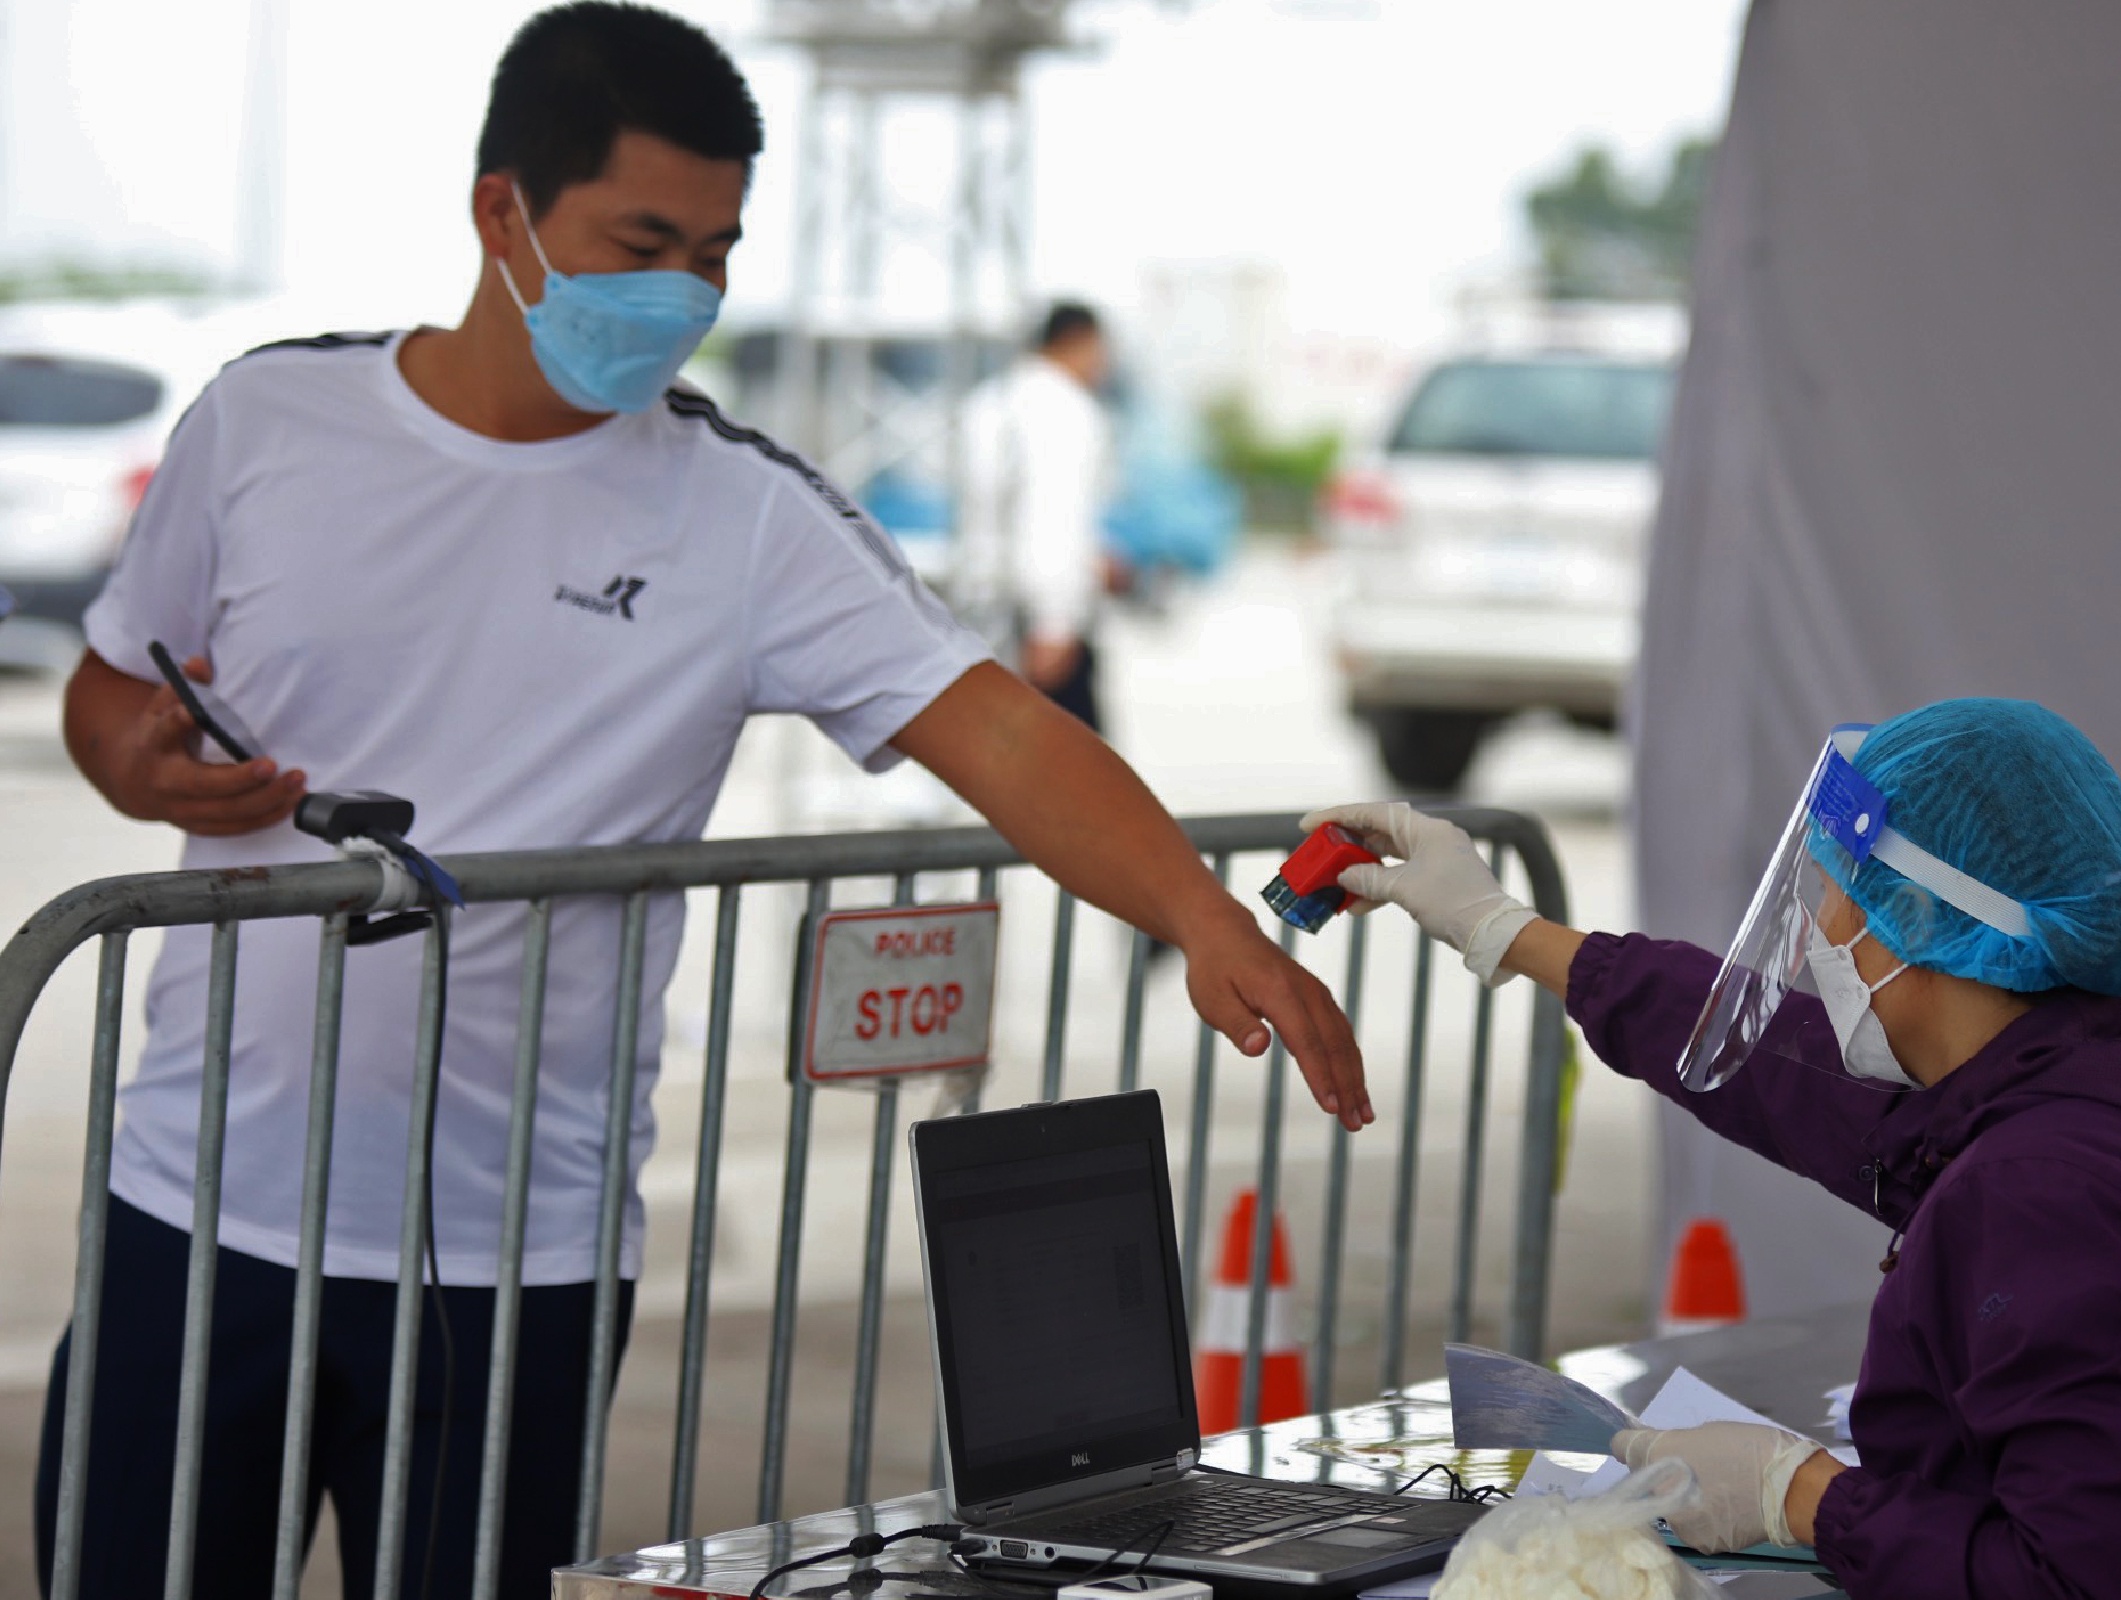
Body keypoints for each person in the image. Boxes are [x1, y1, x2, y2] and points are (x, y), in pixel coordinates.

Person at [45, 7, 1367, 1596]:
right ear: (502, 213)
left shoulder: (744, 517)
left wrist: (1201, 912)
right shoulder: (263, 424)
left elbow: (1006, 738)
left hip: (509, 1259)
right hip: (193, 1210)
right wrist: (134, 761)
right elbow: (118, 684)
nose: (684, 291)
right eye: (644, 239)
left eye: (720, 250)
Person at [1307, 698, 2121, 1599]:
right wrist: (1507, 928)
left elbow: (2095, 1580)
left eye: (1837, 890)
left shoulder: (2041, 1187)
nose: (1819, 926)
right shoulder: (2091, 1080)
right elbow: (1779, 1068)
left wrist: (1807, 1495)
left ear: (1919, 913)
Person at [954, 301, 1115, 730]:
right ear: (1082, 343)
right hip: (1035, 615)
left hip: (983, 607)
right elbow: (1051, 518)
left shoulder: (987, 402)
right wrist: (1055, 620)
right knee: (1081, 778)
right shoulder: (1066, 409)